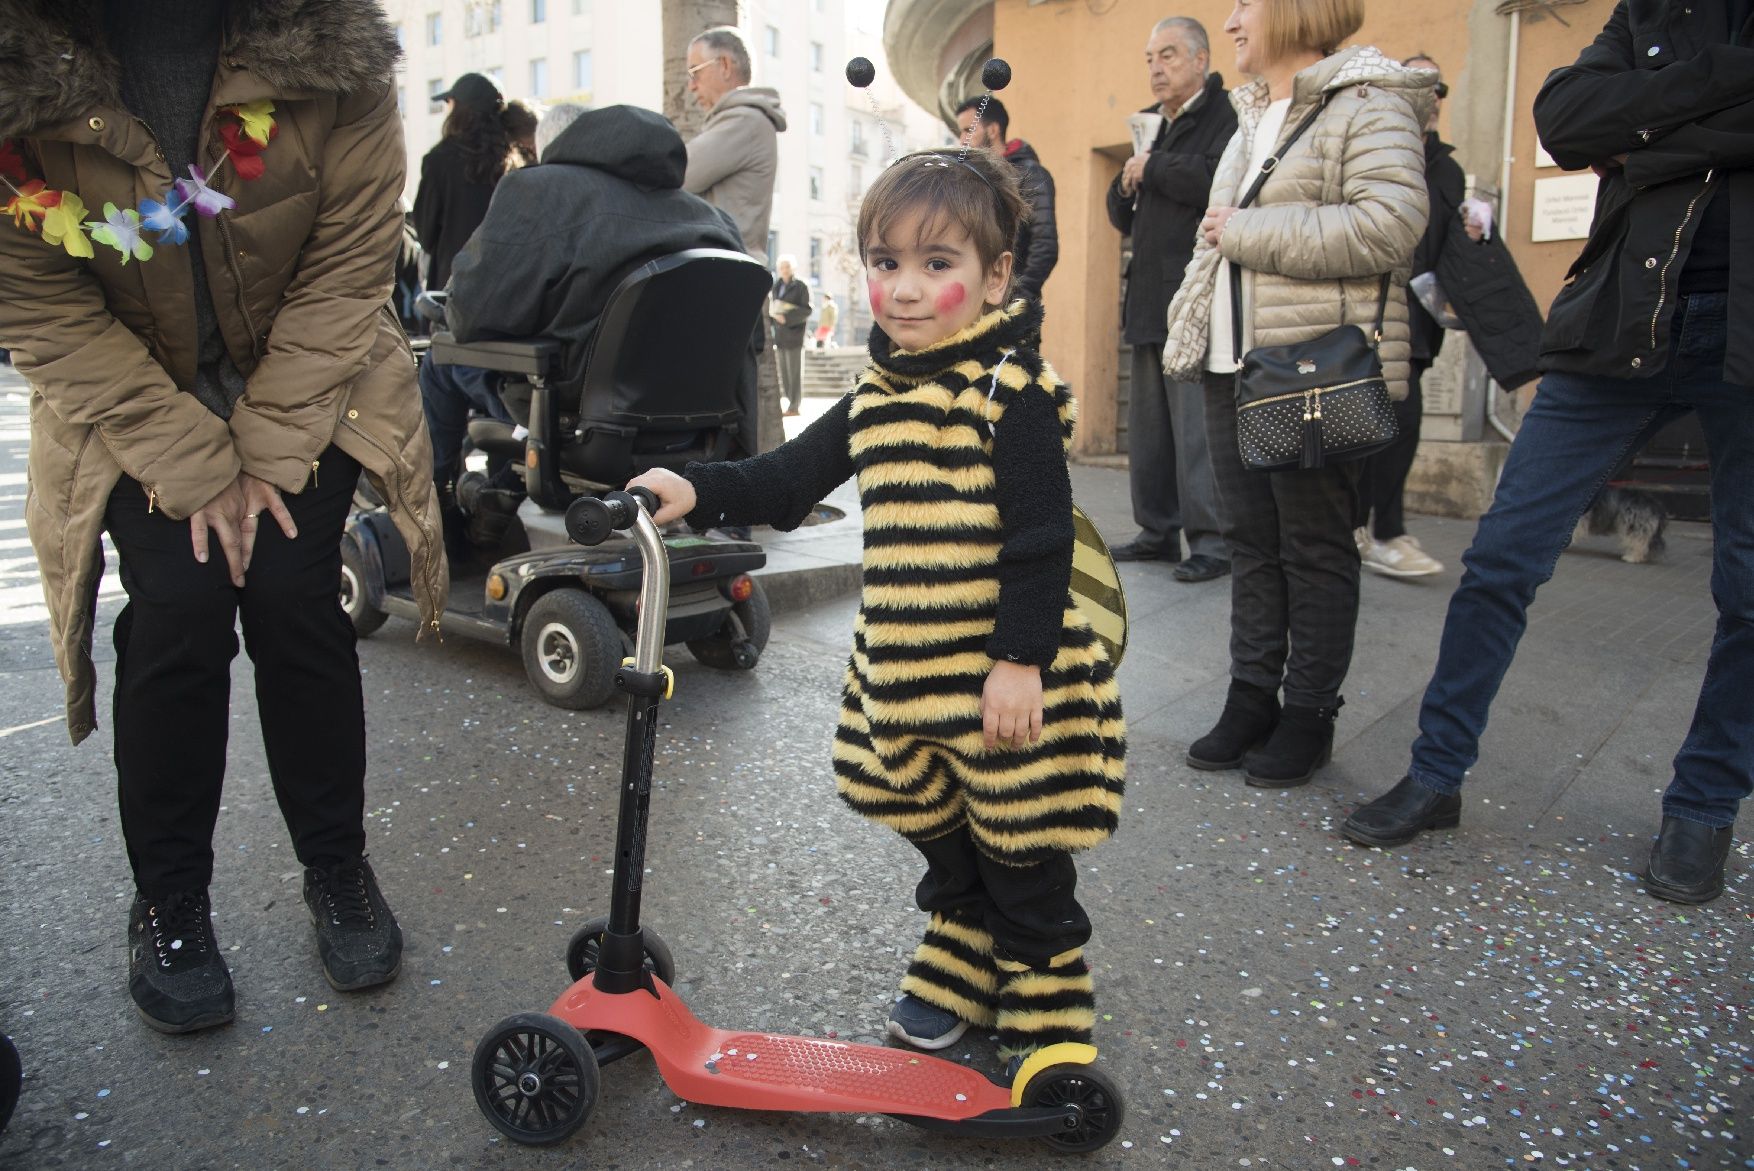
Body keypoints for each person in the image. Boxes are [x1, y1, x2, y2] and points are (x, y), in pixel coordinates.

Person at [628, 147, 1125, 1072]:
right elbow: (784, 478)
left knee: (1021, 847)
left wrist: (1021, 661)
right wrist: (692, 487)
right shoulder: (874, 396)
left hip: (998, 683)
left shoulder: (1005, 395)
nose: (903, 288)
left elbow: (1040, 541)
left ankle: (1045, 989)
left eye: (938, 265)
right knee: (916, 806)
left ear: (995, 276)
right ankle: (964, 936)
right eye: (886, 261)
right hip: (903, 675)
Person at [0, 0, 442, 1032]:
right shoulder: (19, 69)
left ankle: (336, 867)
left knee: (296, 597)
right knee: (179, 612)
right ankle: (169, 902)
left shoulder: (332, 45)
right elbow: (37, 304)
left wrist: (268, 453)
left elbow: (348, 263)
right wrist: (197, 464)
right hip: (132, 398)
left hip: (310, 376)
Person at [1343, 0, 1754, 906]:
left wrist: (1651, 132)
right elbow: (1566, 121)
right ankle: (1436, 771)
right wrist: (1726, 89)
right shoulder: (1652, 9)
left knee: (1748, 589)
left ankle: (1705, 803)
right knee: (1500, 556)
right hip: (1620, 317)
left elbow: (1617, 132)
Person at [1160, 0, 1432, 787]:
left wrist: (1242, 229)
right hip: (1230, 362)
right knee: (1250, 541)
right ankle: (1251, 697)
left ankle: (1308, 713)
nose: (1233, 20)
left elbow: (1389, 226)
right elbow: (1216, 241)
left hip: (1309, 364)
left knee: (1313, 545)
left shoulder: (1369, 103)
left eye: (1245, 4)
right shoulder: (1250, 117)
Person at [440, 102, 747, 474]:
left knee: (442, 360)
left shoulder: (540, 191)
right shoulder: (715, 221)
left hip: (576, 418)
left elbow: (468, 315)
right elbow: (746, 348)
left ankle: (441, 519)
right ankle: (500, 497)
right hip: (698, 435)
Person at [1104, 15, 1237, 581]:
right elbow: (1122, 217)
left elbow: (1220, 180)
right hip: (1147, 300)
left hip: (1193, 295)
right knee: (1151, 429)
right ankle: (1157, 531)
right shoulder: (1150, 124)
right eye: (1150, 58)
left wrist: (1153, 167)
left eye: (1169, 56)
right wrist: (1125, 182)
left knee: (1196, 429)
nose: (1157, 69)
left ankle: (1212, 541)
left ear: (1201, 59)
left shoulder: (1226, 117)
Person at [683, 25, 786, 454]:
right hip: (729, 279)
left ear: (725, 66)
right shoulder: (740, 121)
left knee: (729, 402)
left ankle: (733, 509)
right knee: (728, 397)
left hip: (727, 279)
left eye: (696, 71)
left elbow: (677, 174)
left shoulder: (743, 120)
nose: (691, 86)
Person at [412, 72, 524, 294]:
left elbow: (425, 232)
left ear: (461, 109)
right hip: (504, 285)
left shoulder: (439, 160)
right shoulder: (514, 164)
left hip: (453, 285)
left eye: (449, 102)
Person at [955, 97, 1058, 301]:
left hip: (1010, 307)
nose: (961, 140)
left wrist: (1019, 299)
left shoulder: (1030, 175)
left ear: (992, 130)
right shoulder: (976, 178)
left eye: (968, 130)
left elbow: (1045, 245)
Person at [770, 255, 812, 415]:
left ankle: (795, 406)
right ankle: (790, 403)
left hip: (795, 336)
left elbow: (807, 310)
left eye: (787, 267)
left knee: (794, 374)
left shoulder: (801, 286)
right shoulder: (776, 286)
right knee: (785, 375)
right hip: (780, 337)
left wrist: (786, 318)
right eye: (782, 267)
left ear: (793, 268)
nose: (784, 270)